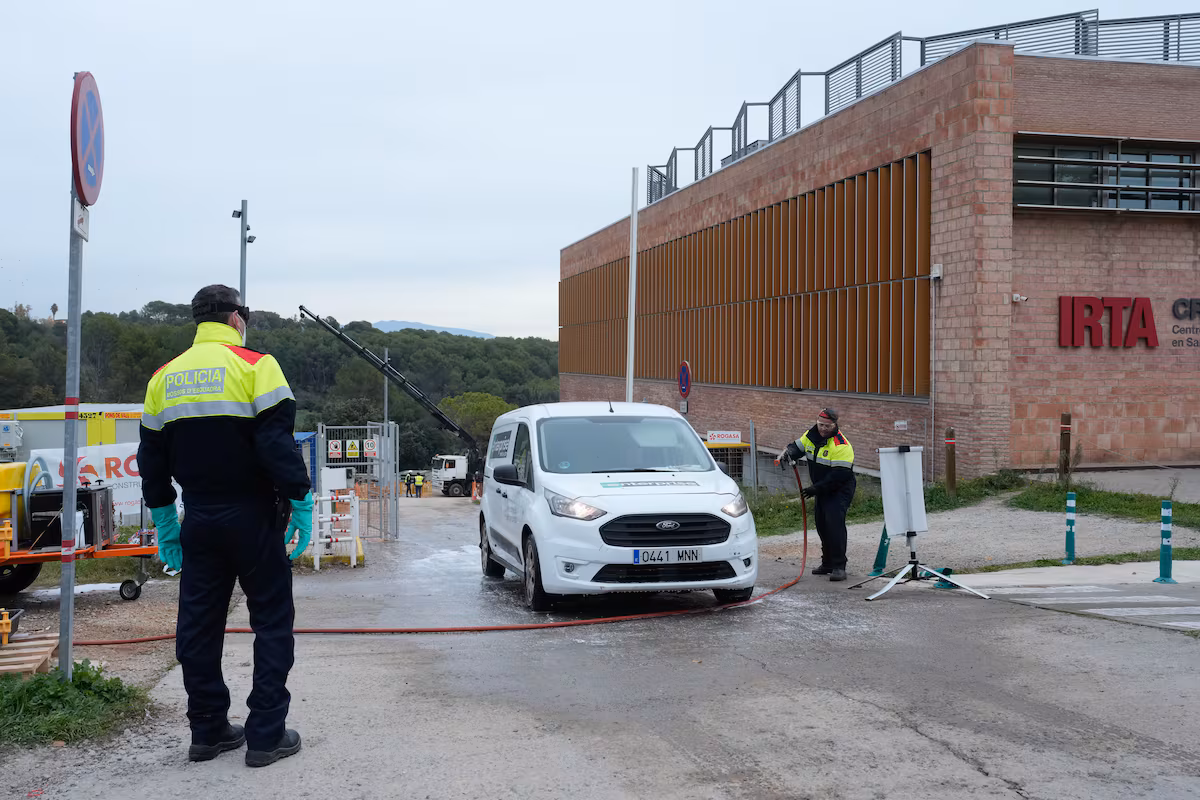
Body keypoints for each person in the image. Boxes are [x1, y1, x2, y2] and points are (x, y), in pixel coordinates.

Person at [138, 284, 312, 768]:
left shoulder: (163, 378)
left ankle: (208, 731)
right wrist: (300, 498)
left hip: (200, 518)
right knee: (272, 622)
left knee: (198, 627)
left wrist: (166, 523)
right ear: (237, 318)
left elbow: (150, 461)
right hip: (254, 515)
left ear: (198, 320)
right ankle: (265, 736)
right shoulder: (258, 366)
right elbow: (276, 445)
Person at [780, 407, 856, 581]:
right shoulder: (810, 436)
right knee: (822, 524)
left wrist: (816, 489)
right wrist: (788, 453)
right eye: (821, 425)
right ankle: (827, 563)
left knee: (834, 526)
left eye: (827, 426)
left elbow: (839, 476)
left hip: (839, 489)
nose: (823, 429)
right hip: (822, 488)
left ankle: (839, 566)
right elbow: (796, 447)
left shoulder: (841, 445)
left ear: (835, 426)